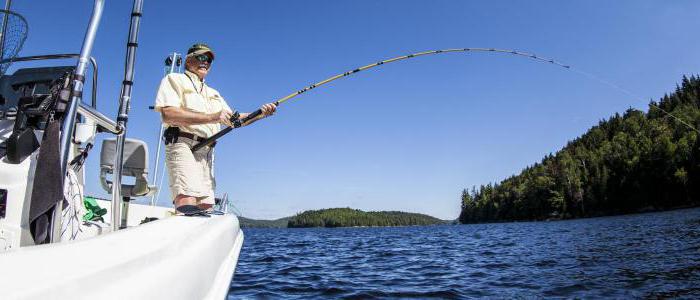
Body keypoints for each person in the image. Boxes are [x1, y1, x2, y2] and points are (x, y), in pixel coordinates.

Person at [154, 43, 276, 214]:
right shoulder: (174, 79)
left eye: (209, 60)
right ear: (188, 61)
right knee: (187, 200)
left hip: (207, 151)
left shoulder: (214, 93)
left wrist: (261, 114)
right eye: (201, 57)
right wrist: (212, 117)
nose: (206, 62)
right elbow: (169, 114)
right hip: (182, 144)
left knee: (206, 206)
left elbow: (234, 120)